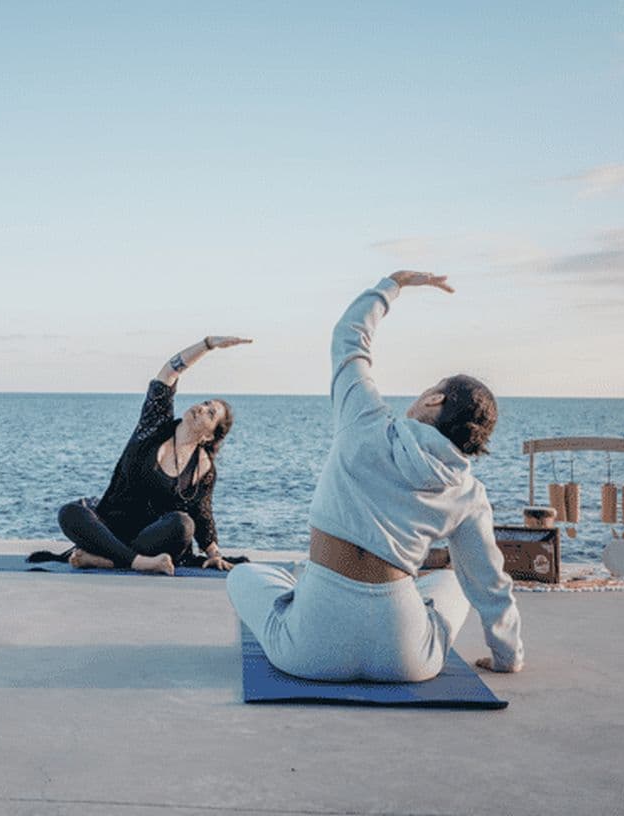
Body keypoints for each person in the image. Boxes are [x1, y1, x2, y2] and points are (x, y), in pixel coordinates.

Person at [227, 272, 524, 681]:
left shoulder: (364, 419)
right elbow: (489, 582)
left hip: (310, 651)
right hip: (404, 660)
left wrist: (394, 283)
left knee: (243, 574)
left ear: (434, 398)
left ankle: (304, 585)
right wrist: (507, 657)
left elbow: (349, 338)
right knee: (455, 583)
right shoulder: (467, 492)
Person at [57, 336, 252, 576]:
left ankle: (111, 558)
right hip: (112, 526)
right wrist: (208, 344)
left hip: (150, 540)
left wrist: (213, 554)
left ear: (210, 437)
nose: (201, 408)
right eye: (204, 403)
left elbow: (202, 514)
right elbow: (169, 373)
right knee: (70, 512)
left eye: (210, 414)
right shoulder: (154, 427)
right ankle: (134, 562)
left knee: (183, 525)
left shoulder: (203, 469)